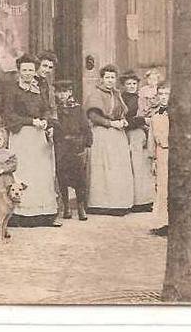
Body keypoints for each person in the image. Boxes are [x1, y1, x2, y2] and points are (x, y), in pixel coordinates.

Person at [3, 54, 60, 227]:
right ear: (19, 71)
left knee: (41, 173)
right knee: (24, 172)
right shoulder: (12, 89)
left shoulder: (39, 89)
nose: (28, 73)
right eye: (24, 70)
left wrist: (45, 120)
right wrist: (30, 121)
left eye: (31, 70)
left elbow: (46, 109)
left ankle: (43, 214)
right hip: (21, 136)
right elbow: (9, 113)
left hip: (38, 136)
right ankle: (22, 215)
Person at [83, 65, 134, 215]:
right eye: (107, 77)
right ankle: (100, 204)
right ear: (102, 78)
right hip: (102, 134)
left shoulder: (116, 94)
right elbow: (93, 116)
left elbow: (120, 112)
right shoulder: (96, 94)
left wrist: (123, 121)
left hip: (117, 135)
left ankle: (118, 203)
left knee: (117, 168)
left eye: (112, 77)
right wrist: (111, 123)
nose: (110, 80)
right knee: (103, 168)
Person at [53, 80, 92, 221]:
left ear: (70, 92)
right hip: (61, 146)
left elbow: (85, 126)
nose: (62, 95)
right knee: (62, 176)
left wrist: (86, 141)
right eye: (60, 92)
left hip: (76, 145)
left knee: (79, 178)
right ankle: (66, 206)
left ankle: (81, 206)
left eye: (65, 92)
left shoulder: (77, 108)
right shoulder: (55, 109)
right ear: (56, 93)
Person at [121, 70, 155, 212]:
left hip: (141, 133)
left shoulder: (142, 97)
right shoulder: (121, 98)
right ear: (124, 85)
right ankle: (133, 201)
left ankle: (144, 200)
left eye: (134, 83)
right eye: (128, 84)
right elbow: (125, 119)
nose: (131, 86)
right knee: (132, 167)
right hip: (129, 133)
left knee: (142, 167)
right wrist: (141, 120)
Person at [147, 83, 171, 236]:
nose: (163, 97)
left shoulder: (177, 115)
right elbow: (151, 139)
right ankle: (161, 222)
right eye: (161, 94)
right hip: (161, 153)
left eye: (166, 94)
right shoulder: (155, 116)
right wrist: (153, 159)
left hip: (173, 153)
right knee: (161, 188)